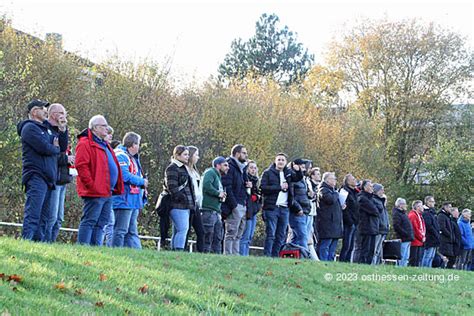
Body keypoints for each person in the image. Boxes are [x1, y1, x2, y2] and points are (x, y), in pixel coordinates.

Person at [75, 115, 124, 246]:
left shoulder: (104, 144)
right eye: (104, 126)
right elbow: (81, 166)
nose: (107, 128)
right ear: (95, 128)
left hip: (107, 191)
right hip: (95, 191)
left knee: (102, 222)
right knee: (90, 220)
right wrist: (91, 186)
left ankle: (95, 248)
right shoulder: (85, 143)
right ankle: (83, 247)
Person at [17, 99, 60, 241]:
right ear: (34, 111)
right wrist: (55, 148)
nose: (46, 111)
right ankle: (27, 241)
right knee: (33, 213)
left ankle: (38, 245)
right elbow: (45, 148)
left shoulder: (46, 129)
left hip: (49, 178)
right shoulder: (29, 128)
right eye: (42, 108)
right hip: (36, 176)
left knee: (45, 216)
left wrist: (63, 130)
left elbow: (62, 145)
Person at [260, 153, 302, 257]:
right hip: (271, 208)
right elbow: (263, 188)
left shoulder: (288, 173)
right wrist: (279, 187)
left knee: (281, 235)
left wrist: (298, 170)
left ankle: (276, 256)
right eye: (279, 159)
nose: (280, 162)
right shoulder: (268, 173)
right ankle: (267, 256)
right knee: (271, 234)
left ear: (286, 162)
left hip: (284, 208)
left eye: (283, 160)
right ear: (275, 161)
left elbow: (298, 178)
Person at [111, 132, 147, 249]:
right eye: (138, 144)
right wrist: (142, 182)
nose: (139, 147)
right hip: (123, 199)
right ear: (133, 145)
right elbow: (124, 175)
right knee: (120, 230)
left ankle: (136, 255)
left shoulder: (131, 157)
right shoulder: (121, 155)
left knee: (132, 231)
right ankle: (116, 254)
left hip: (132, 199)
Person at [42, 103, 72, 242]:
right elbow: (52, 155)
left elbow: (63, 148)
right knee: (51, 216)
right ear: (53, 114)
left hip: (63, 178)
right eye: (61, 113)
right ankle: (45, 242)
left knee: (59, 218)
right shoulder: (45, 129)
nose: (64, 116)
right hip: (53, 178)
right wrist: (66, 158)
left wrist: (63, 129)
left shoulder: (61, 130)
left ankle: (52, 243)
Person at [164, 145, 196, 251]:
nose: (187, 157)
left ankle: (174, 251)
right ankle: (178, 251)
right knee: (183, 229)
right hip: (177, 205)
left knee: (178, 230)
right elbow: (172, 187)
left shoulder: (183, 168)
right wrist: (183, 198)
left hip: (185, 204)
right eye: (185, 154)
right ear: (177, 155)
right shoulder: (172, 168)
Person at [221, 144, 249, 255]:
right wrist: (234, 205)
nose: (246, 155)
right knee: (231, 232)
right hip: (236, 204)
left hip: (243, 203)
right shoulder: (230, 166)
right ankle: (228, 255)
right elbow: (227, 186)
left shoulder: (242, 168)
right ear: (237, 154)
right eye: (244, 153)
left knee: (239, 234)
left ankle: (235, 256)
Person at [201, 157, 229, 253]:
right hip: (208, 210)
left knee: (218, 237)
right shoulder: (210, 172)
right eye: (225, 165)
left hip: (216, 211)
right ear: (218, 165)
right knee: (208, 236)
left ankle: (216, 259)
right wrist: (218, 193)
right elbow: (206, 185)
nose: (227, 168)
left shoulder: (218, 176)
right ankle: (204, 257)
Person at [316, 172, 343, 261]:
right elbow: (330, 200)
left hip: (335, 222)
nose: (335, 180)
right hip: (327, 222)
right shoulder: (323, 190)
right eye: (333, 178)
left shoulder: (332, 191)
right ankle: (323, 261)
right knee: (325, 244)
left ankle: (330, 262)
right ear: (327, 180)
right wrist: (336, 193)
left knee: (333, 245)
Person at [184, 146, 205, 253]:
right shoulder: (185, 170)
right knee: (185, 229)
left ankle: (201, 253)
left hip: (196, 204)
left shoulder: (195, 171)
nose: (198, 157)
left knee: (201, 231)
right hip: (189, 203)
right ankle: (181, 250)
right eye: (196, 154)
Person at [353, 180, 379, 264]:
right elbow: (375, 210)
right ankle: (361, 264)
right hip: (365, 227)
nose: (372, 188)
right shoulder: (362, 198)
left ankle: (368, 265)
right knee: (365, 249)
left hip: (372, 227)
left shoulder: (371, 198)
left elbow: (378, 209)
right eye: (370, 186)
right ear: (364, 187)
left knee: (371, 250)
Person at [240, 160, 262, 256]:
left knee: (249, 237)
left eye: (254, 168)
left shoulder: (256, 181)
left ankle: (246, 255)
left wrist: (257, 197)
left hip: (254, 211)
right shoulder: (245, 180)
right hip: (247, 211)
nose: (253, 170)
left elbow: (259, 195)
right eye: (251, 167)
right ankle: (242, 256)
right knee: (245, 236)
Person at [339, 174, 360, 262]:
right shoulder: (344, 192)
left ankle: (347, 262)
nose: (355, 180)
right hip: (348, 222)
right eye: (353, 179)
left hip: (355, 221)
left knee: (351, 245)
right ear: (347, 181)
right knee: (346, 245)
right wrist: (350, 221)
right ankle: (342, 261)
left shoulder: (355, 192)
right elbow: (344, 208)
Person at [103, 126, 116, 247]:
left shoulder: (110, 150)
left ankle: (109, 247)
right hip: (102, 190)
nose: (110, 136)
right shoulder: (102, 150)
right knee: (105, 221)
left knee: (110, 222)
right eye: (108, 134)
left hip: (109, 190)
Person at [392, 198, 414, 267]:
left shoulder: (403, 214)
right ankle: (400, 267)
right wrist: (405, 233)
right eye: (404, 204)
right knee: (402, 255)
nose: (406, 206)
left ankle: (404, 267)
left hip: (408, 238)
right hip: (403, 238)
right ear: (400, 205)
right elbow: (397, 226)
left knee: (406, 256)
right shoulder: (397, 214)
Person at [421, 196, 441, 268]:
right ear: (427, 202)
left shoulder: (432, 212)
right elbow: (429, 225)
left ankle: (428, 269)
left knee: (431, 256)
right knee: (427, 256)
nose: (433, 203)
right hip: (429, 237)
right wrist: (435, 233)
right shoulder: (426, 213)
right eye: (432, 201)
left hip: (434, 237)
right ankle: (424, 269)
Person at [372, 183, 389, 265]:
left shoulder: (381, 201)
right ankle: (372, 265)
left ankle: (376, 265)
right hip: (378, 228)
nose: (383, 191)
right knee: (374, 249)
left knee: (378, 251)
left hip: (383, 229)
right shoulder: (374, 200)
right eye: (381, 189)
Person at [437, 202, 456, 268]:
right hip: (444, 240)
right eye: (449, 207)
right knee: (445, 258)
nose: (451, 209)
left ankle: (447, 270)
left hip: (449, 241)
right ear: (445, 207)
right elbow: (442, 227)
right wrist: (449, 234)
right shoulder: (441, 216)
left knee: (451, 258)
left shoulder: (448, 216)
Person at [408, 200, 426, 267]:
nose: (423, 207)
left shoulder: (419, 216)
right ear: (417, 207)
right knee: (414, 258)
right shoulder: (413, 216)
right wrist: (421, 237)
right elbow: (415, 228)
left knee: (418, 258)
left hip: (419, 240)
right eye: (421, 206)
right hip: (415, 240)